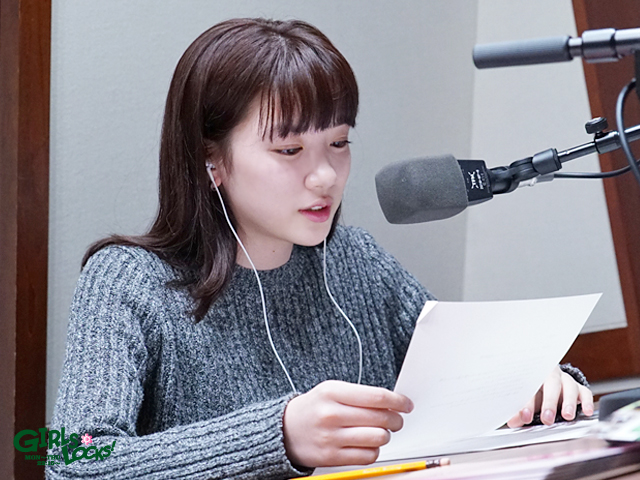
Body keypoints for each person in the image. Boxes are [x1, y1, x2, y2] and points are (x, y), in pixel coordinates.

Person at [47, 17, 594, 480]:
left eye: (339, 142)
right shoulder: (130, 281)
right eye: (289, 150)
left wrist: (535, 386)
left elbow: (472, 376)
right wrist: (278, 436)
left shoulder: (356, 260)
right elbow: (72, 461)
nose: (326, 176)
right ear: (210, 160)